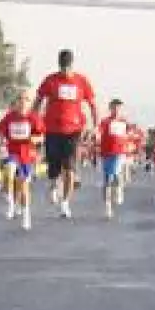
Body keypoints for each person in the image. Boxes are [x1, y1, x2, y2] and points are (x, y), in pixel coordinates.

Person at [34, 48, 98, 220]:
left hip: (74, 130)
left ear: (72, 65)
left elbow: (92, 104)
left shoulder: (81, 81)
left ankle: (65, 202)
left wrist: (95, 126)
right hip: (52, 129)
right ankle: (54, 184)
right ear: (58, 65)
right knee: (54, 166)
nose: (65, 70)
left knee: (69, 166)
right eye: (62, 67)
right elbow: (38, 100)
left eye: (68, 67)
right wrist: (34, 120)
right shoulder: (50, 80)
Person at [0, 88, 45, 232]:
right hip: (12, 153)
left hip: (26, 156)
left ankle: (26, 215)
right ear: (16, 102)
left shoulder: (34, 118)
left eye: (26, 100)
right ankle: (11, 203)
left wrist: (35, 139)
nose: (23, 102)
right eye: (20, 99)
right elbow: (0, 131)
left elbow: (42, 137)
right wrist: (0, 141)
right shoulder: (9, 117)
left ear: (30, 103)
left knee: (23, 187)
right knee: (8, 171)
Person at [97, 99, 131, 219]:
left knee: (115, 174)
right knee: (107, 180)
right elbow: (99, 132)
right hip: (106, 152)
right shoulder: (105, 121)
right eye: (114, 107)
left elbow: (128, 135)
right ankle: (107, 207)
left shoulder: (124, 122)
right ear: (110, 108)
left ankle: (119, 189)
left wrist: (128, 147)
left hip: (119, 152)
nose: (116, 110)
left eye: (119, 108)